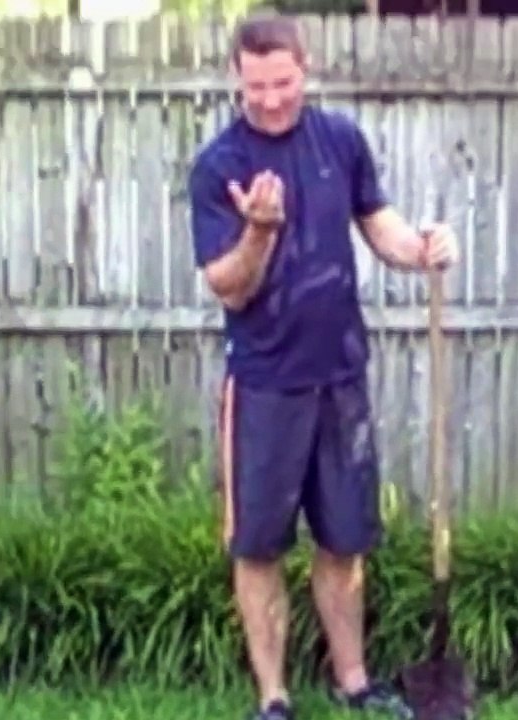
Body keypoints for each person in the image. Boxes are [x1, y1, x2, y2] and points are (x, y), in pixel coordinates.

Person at [187, 8, 460, 720]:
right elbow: (228, 285)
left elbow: (381, 226)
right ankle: (274, 699)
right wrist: (259, 231)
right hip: (265, 386)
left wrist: (423, 246)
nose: (271, 98)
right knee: (259, 547)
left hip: (341, 377)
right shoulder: (220, 166)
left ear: (305, 70)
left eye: (282, 82)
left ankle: (354, 682)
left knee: (345, 539)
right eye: (256, 86)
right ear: (236, 80)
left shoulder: (339, 142)